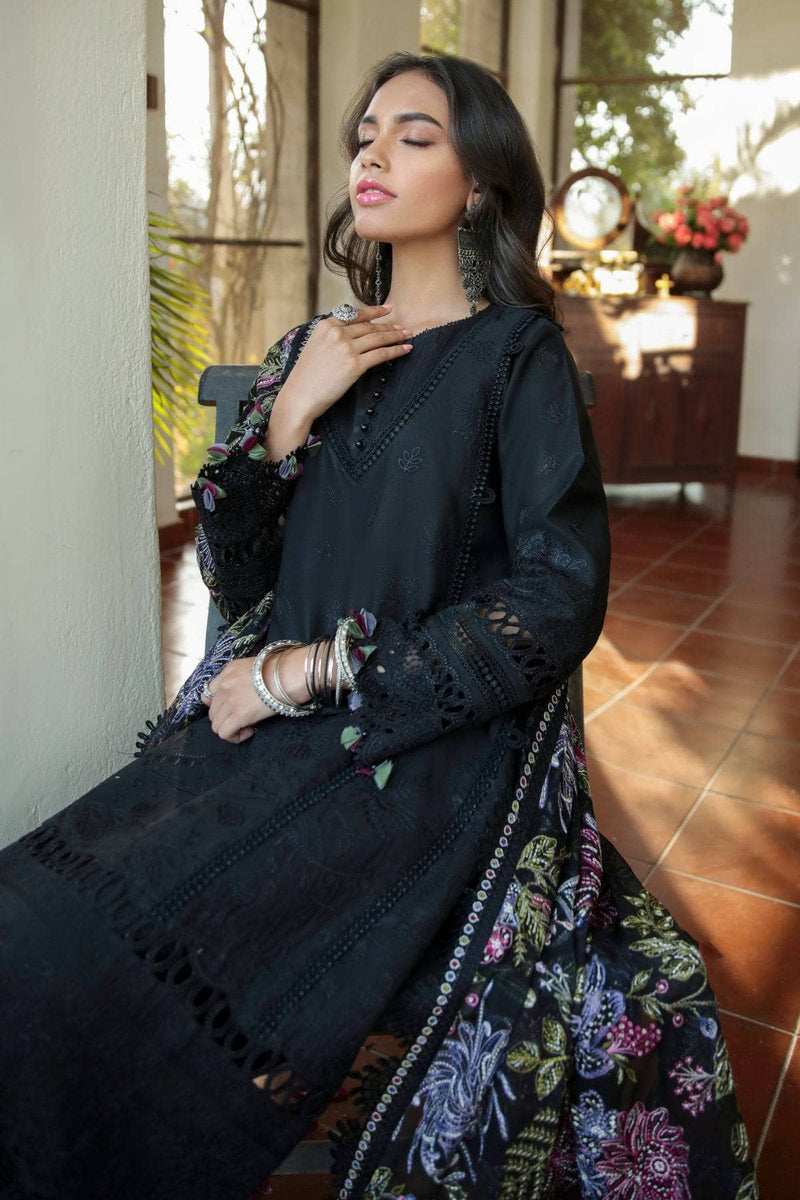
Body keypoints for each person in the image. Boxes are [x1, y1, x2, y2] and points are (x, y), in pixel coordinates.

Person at [0, 50, 756, 1200]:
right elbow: (233, 572)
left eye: (414, 135)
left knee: (75, 946)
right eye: (365, 134)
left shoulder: (517, 358)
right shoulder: (311, 348)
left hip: (417, 763)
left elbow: (554, 601)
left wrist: (303, 673)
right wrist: (286, 421)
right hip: (261, 733)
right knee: (39, 915)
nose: (372, 152)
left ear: (480, 180)